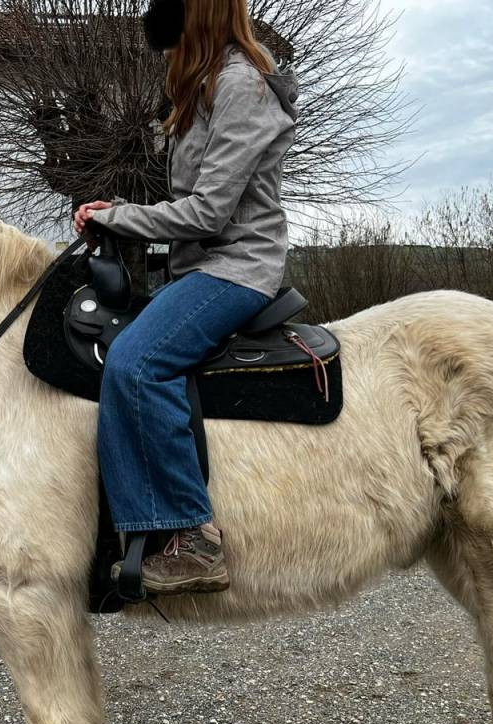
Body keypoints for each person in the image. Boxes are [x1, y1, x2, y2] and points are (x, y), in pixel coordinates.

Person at [73, 0, 298, 596]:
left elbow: (208, 212)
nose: (166, 50)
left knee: (137, 361)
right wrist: (115, 213)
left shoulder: (243, 87)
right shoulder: (205, 90)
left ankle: (193, 537)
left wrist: (120, 217)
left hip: (237, 267)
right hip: (200, 267)